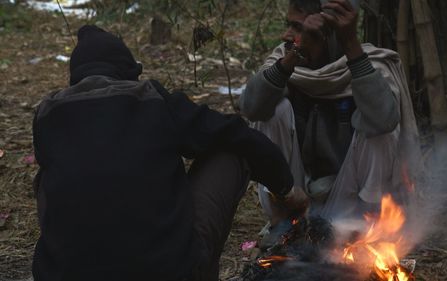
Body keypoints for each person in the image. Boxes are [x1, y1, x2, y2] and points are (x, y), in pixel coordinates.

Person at [32, 25, 294, 281]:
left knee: (47, 177)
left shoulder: (47, 114)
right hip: (170, 271)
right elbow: (234, 133)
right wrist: (285, 186)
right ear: (130, 71)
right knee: (230, 150)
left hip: (63, 274)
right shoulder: (151, 99)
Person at [239, 0, 421, 246]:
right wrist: (296, 54)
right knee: (272, 110)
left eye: (296, 27)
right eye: (289, 25)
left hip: (349, 205)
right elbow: (251, 108)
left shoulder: (368, 63)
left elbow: (384, 120)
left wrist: (350, 44)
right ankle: (285, 225)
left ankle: (361, 234)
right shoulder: (285, 58)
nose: (286, 34)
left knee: (379, 129)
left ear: (327, 35)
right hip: (296, 197)